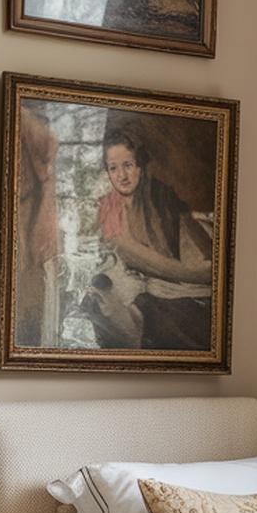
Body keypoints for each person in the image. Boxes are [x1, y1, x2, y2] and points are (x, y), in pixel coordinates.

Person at [87, 127, 213, 351]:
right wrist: (195, 273)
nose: (122, 176)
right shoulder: (109, 203)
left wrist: (201, 272)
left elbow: (189, 241)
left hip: (172, 286)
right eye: (113, 168)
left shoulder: (161, 197)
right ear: (106, 172)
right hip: (141, 288)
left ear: (139, 167)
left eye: (128, 165)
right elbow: (127, 251)